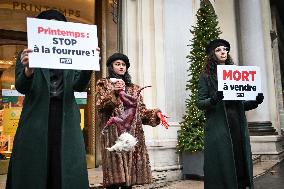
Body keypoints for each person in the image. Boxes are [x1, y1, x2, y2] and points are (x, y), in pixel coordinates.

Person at [6, 10, 97, 189]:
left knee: (64, 166)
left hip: (66, 118)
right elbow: (21, 87)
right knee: (34, 167)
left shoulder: (73, 54)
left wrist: (89, 65)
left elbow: (79, 86)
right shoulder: (28, 54)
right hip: (36, 118)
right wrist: (28, 72)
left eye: (57, 24)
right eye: (48, 24)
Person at [197, 39, 264, 189]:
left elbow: (240, 105)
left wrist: (255, 101)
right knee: (223, 160)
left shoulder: (235, 74)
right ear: (212, 54)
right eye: (218, 50)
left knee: (239, 157)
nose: (223, 52)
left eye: (225, 49)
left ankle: (241, 185)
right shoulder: (206, 77)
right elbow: (200, 102)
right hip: (219, 126)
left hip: (237, 124)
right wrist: (214, 99)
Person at [95, 53, 167, 189]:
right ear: (111, 67)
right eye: (117, 64)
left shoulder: (134, 88)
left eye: (123, 65)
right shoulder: (103, 84)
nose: (121, 67)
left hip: (132, 136)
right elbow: (101, 106)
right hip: (113, 135)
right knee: (115, 179)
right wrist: (114, 93)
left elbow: (141, 112)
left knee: (129, 180)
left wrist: (156, 114)